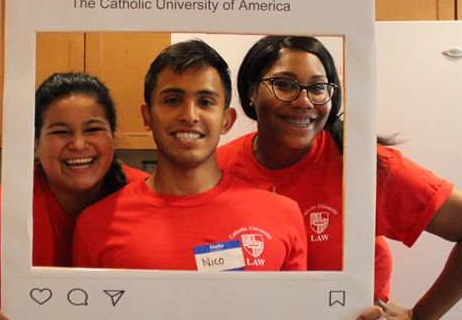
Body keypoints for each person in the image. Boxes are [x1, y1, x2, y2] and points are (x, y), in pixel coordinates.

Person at [216, 35, 462, 320]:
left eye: (318, 88)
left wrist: (418, 317)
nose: (304, 101)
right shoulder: (217, 168)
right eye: (285, 85)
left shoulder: (362, 164)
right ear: (251, 91)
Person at [73, 40, 307, 271]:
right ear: (147, 117)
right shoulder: (96, 225)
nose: (189, 115)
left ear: (226, 121)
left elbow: (294, 309)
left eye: (205, 102)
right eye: (173, 100)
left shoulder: (282, 216)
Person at [0, 72, 150, 319]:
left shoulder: (148, 197)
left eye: (93, 129)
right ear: (35, 143)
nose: (77, 144)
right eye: (60, 132)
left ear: (112, 137)